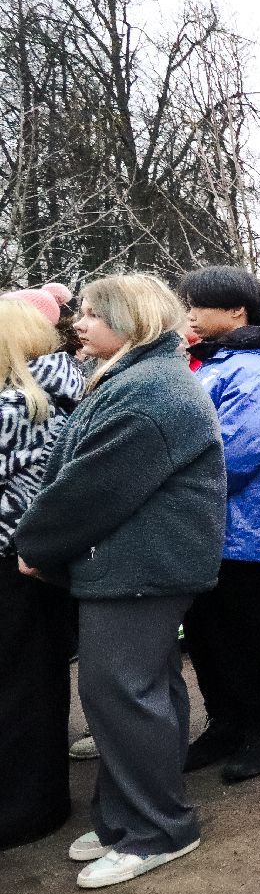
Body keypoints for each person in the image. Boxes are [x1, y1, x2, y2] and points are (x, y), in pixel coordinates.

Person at [15, 274, 226, 888]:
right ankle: (122, 817)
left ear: (130, 321)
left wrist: (36, 544)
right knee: (144, 691)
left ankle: (158, 829)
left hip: (139, 568)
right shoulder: (139, 377)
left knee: (122, 696)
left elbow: (91, 488)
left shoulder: (149, 392)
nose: (77, 323)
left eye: (90, 314)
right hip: (136, 563)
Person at [176, 267, 260, 785]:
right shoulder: (218, 362)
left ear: (237, 312)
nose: (190, 315)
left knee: (247, 626)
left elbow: (234, 452)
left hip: (243, 523)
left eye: (199, 305)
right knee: (208, 629)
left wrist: (171, 481)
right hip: (208, 519)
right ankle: (227, 720)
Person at [0, 300, 84, 849]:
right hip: (33, 560)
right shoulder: (55, 393)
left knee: (20, 688)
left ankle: (27, 808)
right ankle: (35, 800)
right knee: (32, 682)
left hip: (13, 563)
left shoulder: (18, 407)